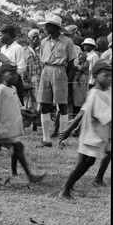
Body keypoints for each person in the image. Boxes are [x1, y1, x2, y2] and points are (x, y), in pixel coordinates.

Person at [58, 59, 111, 199]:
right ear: (96, 75)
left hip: (100, 133)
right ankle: (65, 190)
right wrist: (70, 128)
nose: (109, 78)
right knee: (83, 162)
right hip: (90, 133)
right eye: (105, 75)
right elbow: (83, 112)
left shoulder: (109, 92)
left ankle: (69, 187)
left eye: (111, 75)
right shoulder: (94, 93)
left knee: (88, 161)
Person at [0, 63, 45, 184]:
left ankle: (14, 172)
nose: (15, 76)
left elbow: (16, 108)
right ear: (3, 75)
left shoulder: (12, 89)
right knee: (18, 147)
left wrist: (29, 115)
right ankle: (30, 176)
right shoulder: (0, 89)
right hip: (1, 128)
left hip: (8, 128)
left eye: (16, 73)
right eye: (11, 73)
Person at [36, 14, 77, 148]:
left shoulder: (67, 41)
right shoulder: (43, 42)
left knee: (62, 104)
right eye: (46, 25)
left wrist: (66, 77)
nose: (46, 28)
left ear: (56, 27)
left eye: (49, 25)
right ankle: (46, 139)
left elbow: (71, 63)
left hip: (60, 71)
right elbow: (42, 59)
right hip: (46, 70)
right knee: (44, 104)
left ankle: (62, 140)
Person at [0, 24, 26, 105]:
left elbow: (21, 68)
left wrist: (10, 74)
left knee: (17, 105)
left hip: (15, 81)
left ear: (7, 35)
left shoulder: (18, 48)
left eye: (1, 35)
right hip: (4, 80)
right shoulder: (3, 49)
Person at [22, 29, 43, 113]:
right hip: (29, 80)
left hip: (40, 80)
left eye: (37, 37)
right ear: (29, 39)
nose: (36, 39)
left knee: (40, 105)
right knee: (28, 105)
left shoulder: (42, 50)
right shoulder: (24, 50)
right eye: (33, 37)